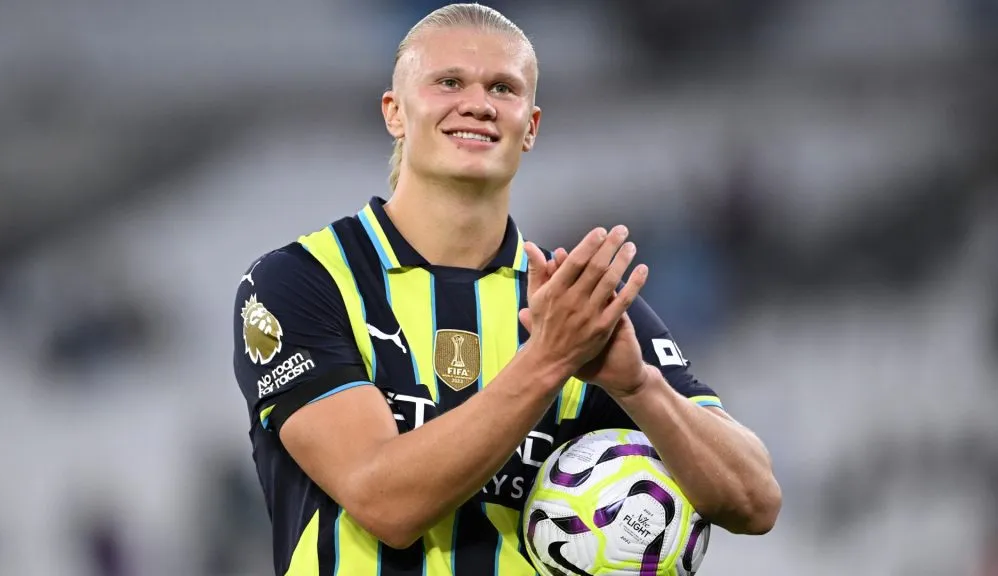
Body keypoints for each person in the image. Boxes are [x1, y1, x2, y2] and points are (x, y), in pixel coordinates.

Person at [232, 3, 782, 575]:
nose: (478, 103)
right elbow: (386, 502)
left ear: (531, 127)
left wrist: (639, 386)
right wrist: (548, 360)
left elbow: (755, 501)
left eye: (503, 87)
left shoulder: (573, 305)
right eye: (448, 82)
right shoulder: (303, 282)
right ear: (395, 112)